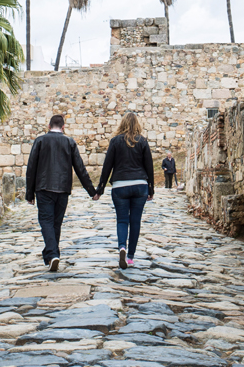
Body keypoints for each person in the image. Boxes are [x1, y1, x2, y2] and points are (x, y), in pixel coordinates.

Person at [25, 114, 96, 272]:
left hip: (43, 188)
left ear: (48, 126)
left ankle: (52, 253)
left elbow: (31, 168)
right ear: (63, 127)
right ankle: (52, 255)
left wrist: (29, 194)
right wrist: (92, 191)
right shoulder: (69, 142)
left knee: (46, 222)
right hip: (63, 189)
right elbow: (80, 169)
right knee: (56, 223)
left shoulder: (40, 141)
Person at [94, 112, 154, 269]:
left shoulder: (115, 141)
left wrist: (100, 188)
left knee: (122, 220)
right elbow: (149, 166)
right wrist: (151, 188)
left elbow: (107, 166)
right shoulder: (143, 141)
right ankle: (131, 257)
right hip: (140, 185)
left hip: (120, 185)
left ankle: (122, 247)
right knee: (135, 221)